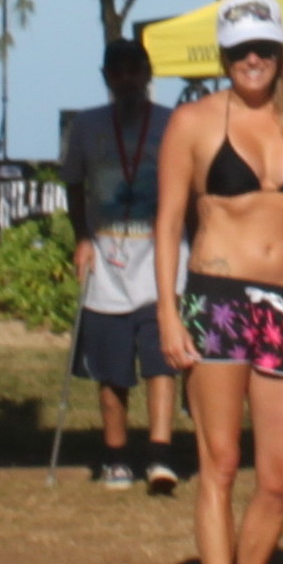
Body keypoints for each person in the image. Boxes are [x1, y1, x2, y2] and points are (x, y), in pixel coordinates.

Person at [156, 0, 283, 564]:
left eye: (264, 49)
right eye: (240, 51)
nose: (253, 60)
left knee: (279, 474)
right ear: (223, 57)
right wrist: (167, 312)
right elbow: (168, 221)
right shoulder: (193, 121)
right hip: (218, 300)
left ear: (281, 52)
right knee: (219, 462)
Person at [59, 37, 180, 492]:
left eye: (135, 71)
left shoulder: (171, 123)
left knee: (161, 360)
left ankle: (160, 454)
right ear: (106, 77)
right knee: (110, 370)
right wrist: (81, 237)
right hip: (106, 259)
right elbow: (73, 184)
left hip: (159, 259)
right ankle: (116, 456)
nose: (128, 80)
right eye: (118, 72)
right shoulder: (87, 126)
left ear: (148, 74)